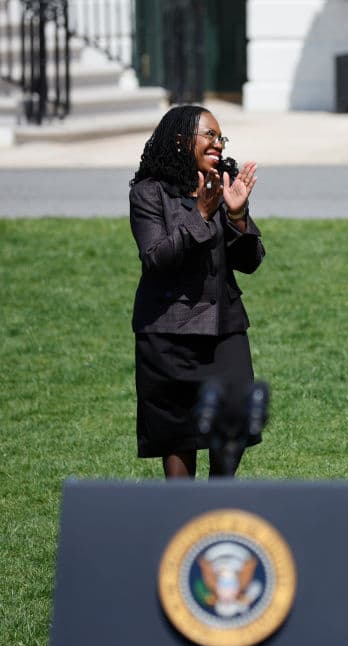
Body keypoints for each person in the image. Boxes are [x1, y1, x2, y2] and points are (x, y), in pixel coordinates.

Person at [129, 105, 264, 479]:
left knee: (232, 430)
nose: (217, 144)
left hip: (224, 332)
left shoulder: (222, 184)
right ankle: (185, 520)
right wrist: (202, 214)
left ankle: (218, 502)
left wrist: (237, 216)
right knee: (177, 438)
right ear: (180, 140)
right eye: (209, 136)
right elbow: (156, 257)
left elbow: (250, 262)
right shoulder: (148, 193)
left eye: (221, 138)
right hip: (167, 336)